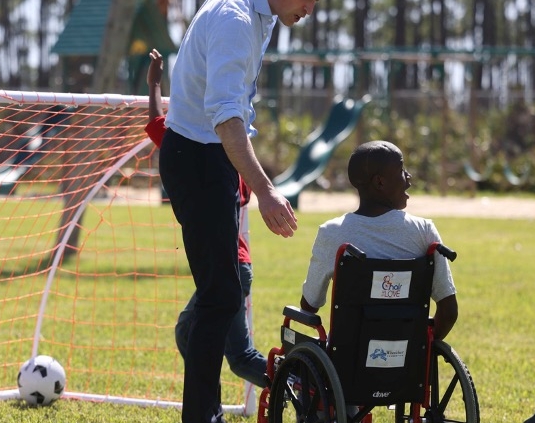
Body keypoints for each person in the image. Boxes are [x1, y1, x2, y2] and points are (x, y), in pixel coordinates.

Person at [158, 1, 314, 421]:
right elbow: (226, 118)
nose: (311, 9)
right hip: (198, 160)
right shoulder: (235, 20)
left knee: (220, 295)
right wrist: (265, 191)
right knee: (221, 296)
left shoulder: (259, 18)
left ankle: (204, 409)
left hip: (210, 162)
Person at [145, 48, 267, 388]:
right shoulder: (235, 161)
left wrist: (155, 85)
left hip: (230, 267)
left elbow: (160, 126)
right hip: (236, 266)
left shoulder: (210, 161)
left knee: (240, 357)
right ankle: (207, 402)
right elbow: (160, 127)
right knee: (188, 334)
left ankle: (307, 386)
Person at [299, 140, 458, 342]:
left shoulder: (333, 233)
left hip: (346, 363)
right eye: (401, 170)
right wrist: (421, 350)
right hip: (408, 363)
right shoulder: (424, 231)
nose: (408, 178)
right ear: (380, 182)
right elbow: (449, 311)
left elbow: (309, 306)